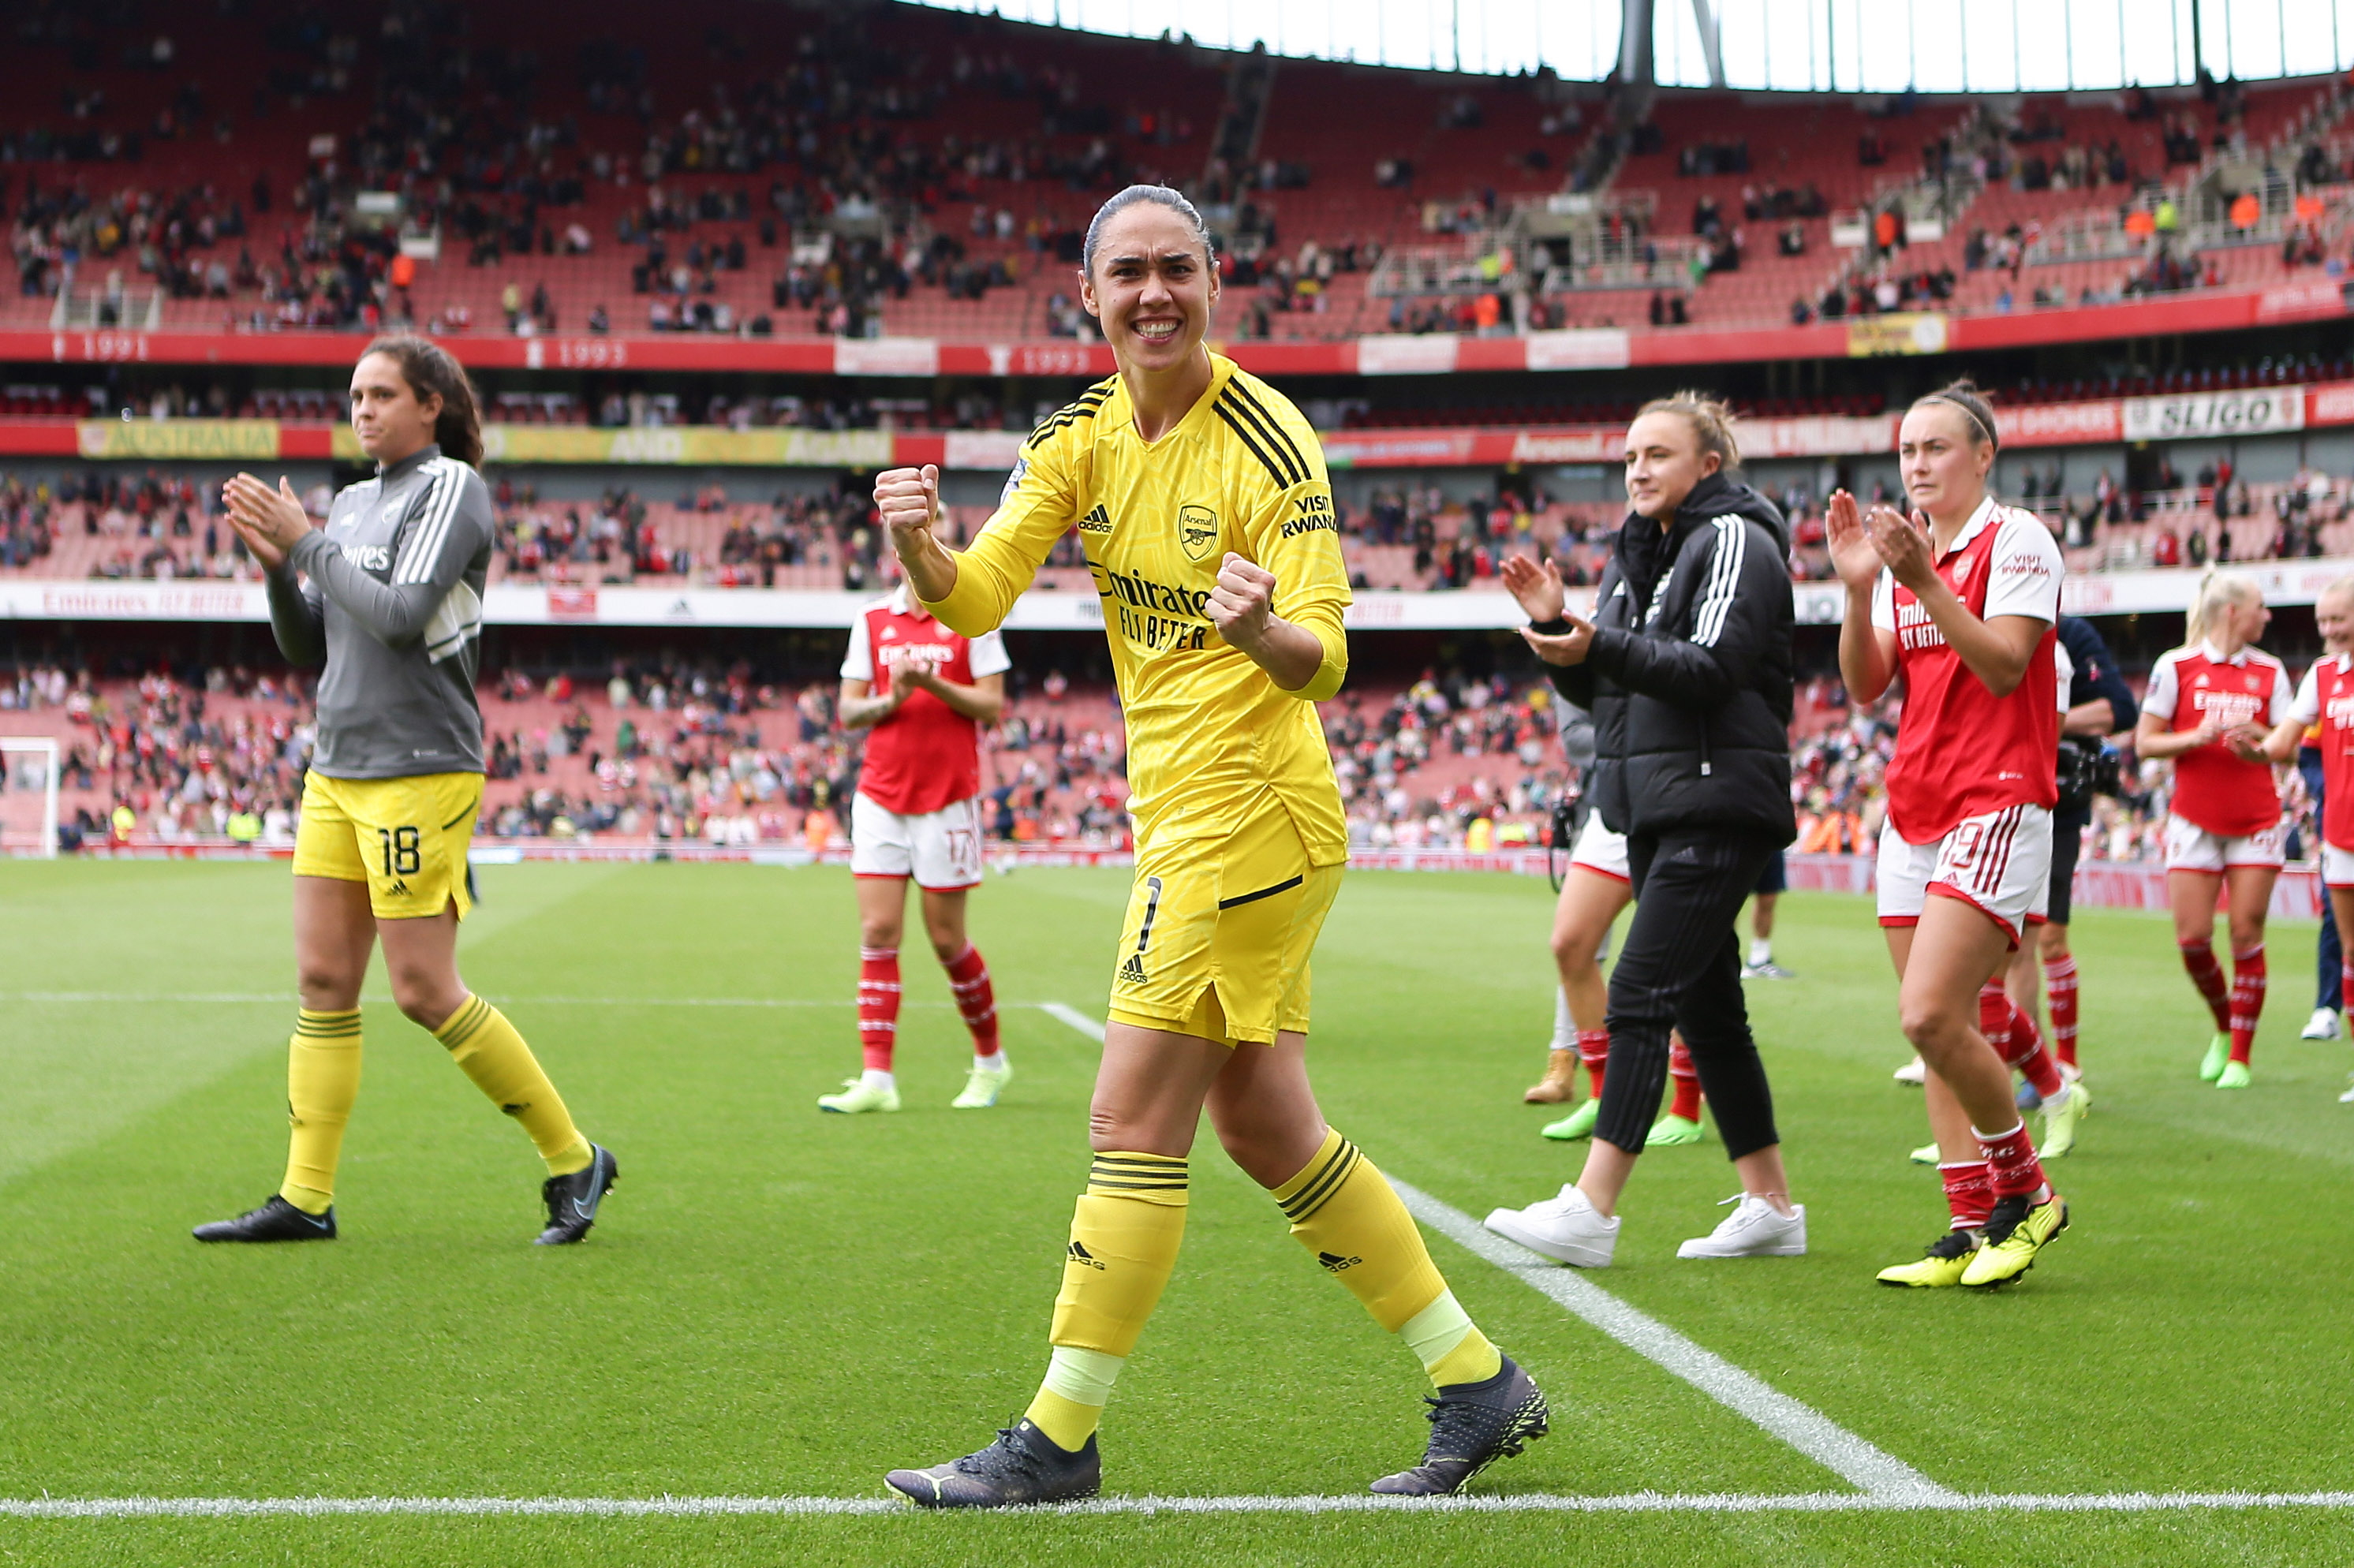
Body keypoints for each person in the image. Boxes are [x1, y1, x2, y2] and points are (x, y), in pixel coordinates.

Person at [873, 184, 1546, 1507]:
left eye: (1174, 268)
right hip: (1188, 814)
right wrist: (917, 548)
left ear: (1215, 280)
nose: (1152, 294)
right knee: (1261, 1122)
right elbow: (981, 591)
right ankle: (1474, 1379)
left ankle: (1055, 1438)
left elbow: (1328, 652)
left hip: (1247, 811)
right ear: (1088, 295)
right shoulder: (1078, 432)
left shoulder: (1266, 437)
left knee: (1128, 1115)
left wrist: (1259, 634)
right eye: (1126, 274)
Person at [196, 335, 615, 1245]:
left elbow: (395, 618)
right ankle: (306, 1197)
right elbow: (310, 645)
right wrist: (279, 565)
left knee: (424, 988)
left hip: (419, 765)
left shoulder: (452, 489)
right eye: (354, 395)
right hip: (335, 768)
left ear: (431, 403)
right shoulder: (349, 502)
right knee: (322, 979)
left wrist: (303, 541)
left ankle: (574, 1157)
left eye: (382, 393)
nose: (363, 409)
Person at [1483, 392, 1806, 1269]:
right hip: (1653, 803)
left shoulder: (1735, 537)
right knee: (1709, 1013)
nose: (1636, 470)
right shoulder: (1640, 550)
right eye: (1628, 456)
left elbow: (1710, 668)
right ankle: (1771, 1203)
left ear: (1707, 464)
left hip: (1714, 797)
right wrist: (1557, 629)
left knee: (1637, 990)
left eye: (1656, 454)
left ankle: (1591, 1207)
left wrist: (1593, 646)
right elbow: (1615, 689)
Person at [1828, 379, 2072, 1290]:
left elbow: (2006, 667)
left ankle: (2029, 1193)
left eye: (1935, 447)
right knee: (1939, 1031)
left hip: (1998, 798)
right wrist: (1861, 592)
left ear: (1982, 456)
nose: (1917, 464)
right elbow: (1863, 683)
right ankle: (1969, 1224)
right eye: (1906, 450)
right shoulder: (1905, 562)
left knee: (1928, 1011)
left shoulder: (2015, 541)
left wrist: (1918, 578)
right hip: (1914, 807)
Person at [823, 575, 1012, 1113]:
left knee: (948, 940)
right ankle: (877, 1078)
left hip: (949, 800)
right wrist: (896, 695)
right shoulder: (872, 620)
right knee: (878, 930)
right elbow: (849, 712)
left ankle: (990, 1063)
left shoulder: (974, 615)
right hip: (880, 797)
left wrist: (933, 684)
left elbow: (991, 706)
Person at [2135, 571, 2291, 1088]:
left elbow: (2286, 744)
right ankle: (2225, 1027)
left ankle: (2241, 1058)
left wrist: (2261, 739)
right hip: (2194, 818)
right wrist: (2194, 737)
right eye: (2261, 607)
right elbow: (2145, 743)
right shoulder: (2175, 666)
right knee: (2193, 939)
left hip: (2256, 817)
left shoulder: (2271, 672)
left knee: (2247, 933)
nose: (2267, 616)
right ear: (2232, 612)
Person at [2005, 614, 2139, 1143]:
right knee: (2007, 945)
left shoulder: (2072, 636)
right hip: (1992, 790)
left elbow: (2120, 709)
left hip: (2058, 800)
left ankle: (2061, 1064)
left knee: (2043, 937)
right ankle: (2021, 1065)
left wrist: (2044, 720)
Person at [2260, 576, 2354, 1103]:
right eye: (2323, 621)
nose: (2330, 630)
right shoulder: (2321, 675)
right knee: (2352, 953)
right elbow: (2283, 740)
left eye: (2338, 619)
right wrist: (2256, 749)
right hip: (2341, 832)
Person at [1742, 854, 1795, 979]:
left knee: (1768, 896)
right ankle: (1723, 959)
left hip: (1769, 842)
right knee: (1728, 899)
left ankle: (1759, 959)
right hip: (1734, 842)